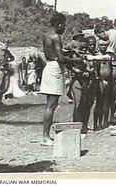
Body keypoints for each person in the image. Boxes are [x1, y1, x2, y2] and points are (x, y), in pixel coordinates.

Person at [39, 13, 82, 146]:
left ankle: (46, 136)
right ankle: (45, 137)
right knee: (51, 105)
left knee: (50, 105)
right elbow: (61, 59)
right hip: (54, 69)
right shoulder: (56, 37)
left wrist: (68, 54)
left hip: (50, 66)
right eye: (63, 25)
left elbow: (55, 54)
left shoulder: (46, 36)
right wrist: (77, 59)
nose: (64, 28)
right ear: (59, 24)